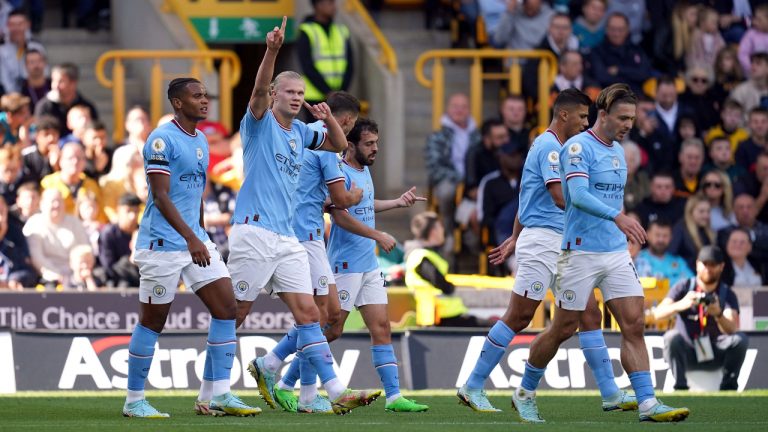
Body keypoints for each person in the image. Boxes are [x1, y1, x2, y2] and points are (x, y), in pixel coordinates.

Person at [224, 17, 379, 416]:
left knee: (314, 314)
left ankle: (331, 390)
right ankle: (214, 390)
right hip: (254, 230)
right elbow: (257, 90)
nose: (295, 98)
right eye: (289, 92)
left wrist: (327, 117)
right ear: (276, 93)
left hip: (289, 238)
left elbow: (340, 145)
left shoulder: (301, 134)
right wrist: (272, 51)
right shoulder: (258, 124)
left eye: (300, 94)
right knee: (235, 313)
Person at [511, 84, 689, 423]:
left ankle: (648, 403)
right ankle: (524, 392)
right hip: (578, 253)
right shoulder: (577, 147)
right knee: (562, 329)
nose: (628, 125)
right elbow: (575, 195)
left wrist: (620, 228)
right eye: (622, 118)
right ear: (602, 115)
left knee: (633, 324)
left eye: (633, 119)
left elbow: (611, 198)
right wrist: (618, 216)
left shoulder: (618, 150)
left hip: (615, 253)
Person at [457, 88, 636, 413]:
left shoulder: (558, 146)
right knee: (520, 315)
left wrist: (514, 237)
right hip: (545, 242)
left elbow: (526, 198)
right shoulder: (552, 149)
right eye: (582, 116)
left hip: (557, 240)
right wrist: (606, 211)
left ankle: (610, 393)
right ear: (564, 115)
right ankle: (472, 385)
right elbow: (558, 197)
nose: (586, 123)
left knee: (588, 314)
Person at [121, 77, 259, 418]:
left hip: (194, 241)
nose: (204, 100)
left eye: (205, 95)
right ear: (177, 103)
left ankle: (218, 394)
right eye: (196, 96)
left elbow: (195, 192)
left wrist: (199, 235)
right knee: (153, 322)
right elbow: (161, 195)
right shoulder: (160, 140)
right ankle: (133, 400)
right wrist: (191, 237)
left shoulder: (200, 140)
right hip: (162, 245)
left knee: (228, 308)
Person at [270, 91, 369, 413]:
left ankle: (298, 388)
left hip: (300, 232)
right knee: (325, 318)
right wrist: (355, 195)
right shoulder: (325, 147)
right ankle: (276, 370)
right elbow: (341, 199)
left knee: (322, 317)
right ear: (344, 120)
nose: (349, 130)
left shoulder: (301, 141)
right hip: (305, 237)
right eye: (350, 124)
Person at [325, 117, 429, 412]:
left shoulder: (363, 171)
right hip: (345, 263)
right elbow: (340, 214)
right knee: (332, 330)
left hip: (367, 264)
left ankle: (394, 397)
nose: (375, 149)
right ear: (352, 145)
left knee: (381, 326)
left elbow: (365, 204)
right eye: (369, 144)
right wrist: (377, 234)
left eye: (377, 143)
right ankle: (284, 380)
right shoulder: (339, 172)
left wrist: (398, 202)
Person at [654, 246, 749, 391]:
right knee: (671, 337)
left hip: (716, 351)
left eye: (713, 265)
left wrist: (718, 314)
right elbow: (657, 314)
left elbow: (732, 329)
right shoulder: (684, 287)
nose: (708, 269)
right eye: (705, 264)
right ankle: (680, 387)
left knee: (740, 339)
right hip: (688, 350)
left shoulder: (726, 293)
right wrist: (681, 304)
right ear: (697, 264)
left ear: (721, 266)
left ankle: (728, 388)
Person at [403, 211, 474, 326]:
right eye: (440, 227)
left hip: (441, 317)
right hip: (439, 319)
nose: (443, 231)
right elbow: (443, 285)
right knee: (492, 326)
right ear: (433, 232)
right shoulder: (421, 257)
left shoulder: (422, 254)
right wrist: (451, 287)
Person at [22, 188, 88, 288]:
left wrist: (77, 272)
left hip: (75, 274)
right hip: (47, 277)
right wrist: (55, 274)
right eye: (53, 201)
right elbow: (36, 256)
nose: (56, 205)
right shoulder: (34, 223)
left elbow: (85, 250)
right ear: (42, 204)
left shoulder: (75, 223)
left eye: (59, 201)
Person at [296, 0, 353, 110]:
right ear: (318, 5)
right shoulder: (307, 30)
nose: (334, 7)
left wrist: (341, 93)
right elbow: (307, 65)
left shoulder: (341, 30)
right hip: (314, 98)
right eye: (330, 3)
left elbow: (350, 64)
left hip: (338, 97)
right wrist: (327, 91)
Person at [588, 13, 652, 95]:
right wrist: (633, 76)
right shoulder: (596, 51)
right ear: (606, 29)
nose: (616, 34)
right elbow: (601, 77)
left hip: (637, 97)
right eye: (613, 29)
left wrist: (619, 70)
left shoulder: (637, 50)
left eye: (620, 30)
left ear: (627, 29)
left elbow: (645, 74)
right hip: (610, 99)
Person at [34, 63, 98, 136]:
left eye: (61, 81)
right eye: (53, 81)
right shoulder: (44, 107)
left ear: (73, 83)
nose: (55, 86)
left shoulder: (87, 107)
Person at [634, 220, 694, 286]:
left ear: (671, 237)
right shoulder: (636, 259)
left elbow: (692, 283)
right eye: (657, 235)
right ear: (648, 234)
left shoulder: (678, 261)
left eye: (665, 236)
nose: (661, 240)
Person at [99, 193, 141, 286]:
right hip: (116, 284)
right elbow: (108, 269)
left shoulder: (144, 233)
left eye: (136, 211)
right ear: (118, 210)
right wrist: (130, 261)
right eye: (128, 211)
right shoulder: (108, 234)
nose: (132, 216)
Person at [0, 9, 45, 94]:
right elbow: (4, 81)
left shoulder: (37, 47)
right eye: (12, 24)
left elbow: (44, 74)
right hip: (9, 97)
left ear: (28, 24)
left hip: (34, 92)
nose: (16, 28)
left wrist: (23, 47)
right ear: (7, 26)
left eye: (20, 24)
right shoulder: (2, 50)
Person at [669, 194, 715, 271]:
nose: (706, 215)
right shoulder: (680, 229)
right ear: (690, 211)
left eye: (708, 211)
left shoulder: (706, 231)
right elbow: (671, 256)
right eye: (701, 211)